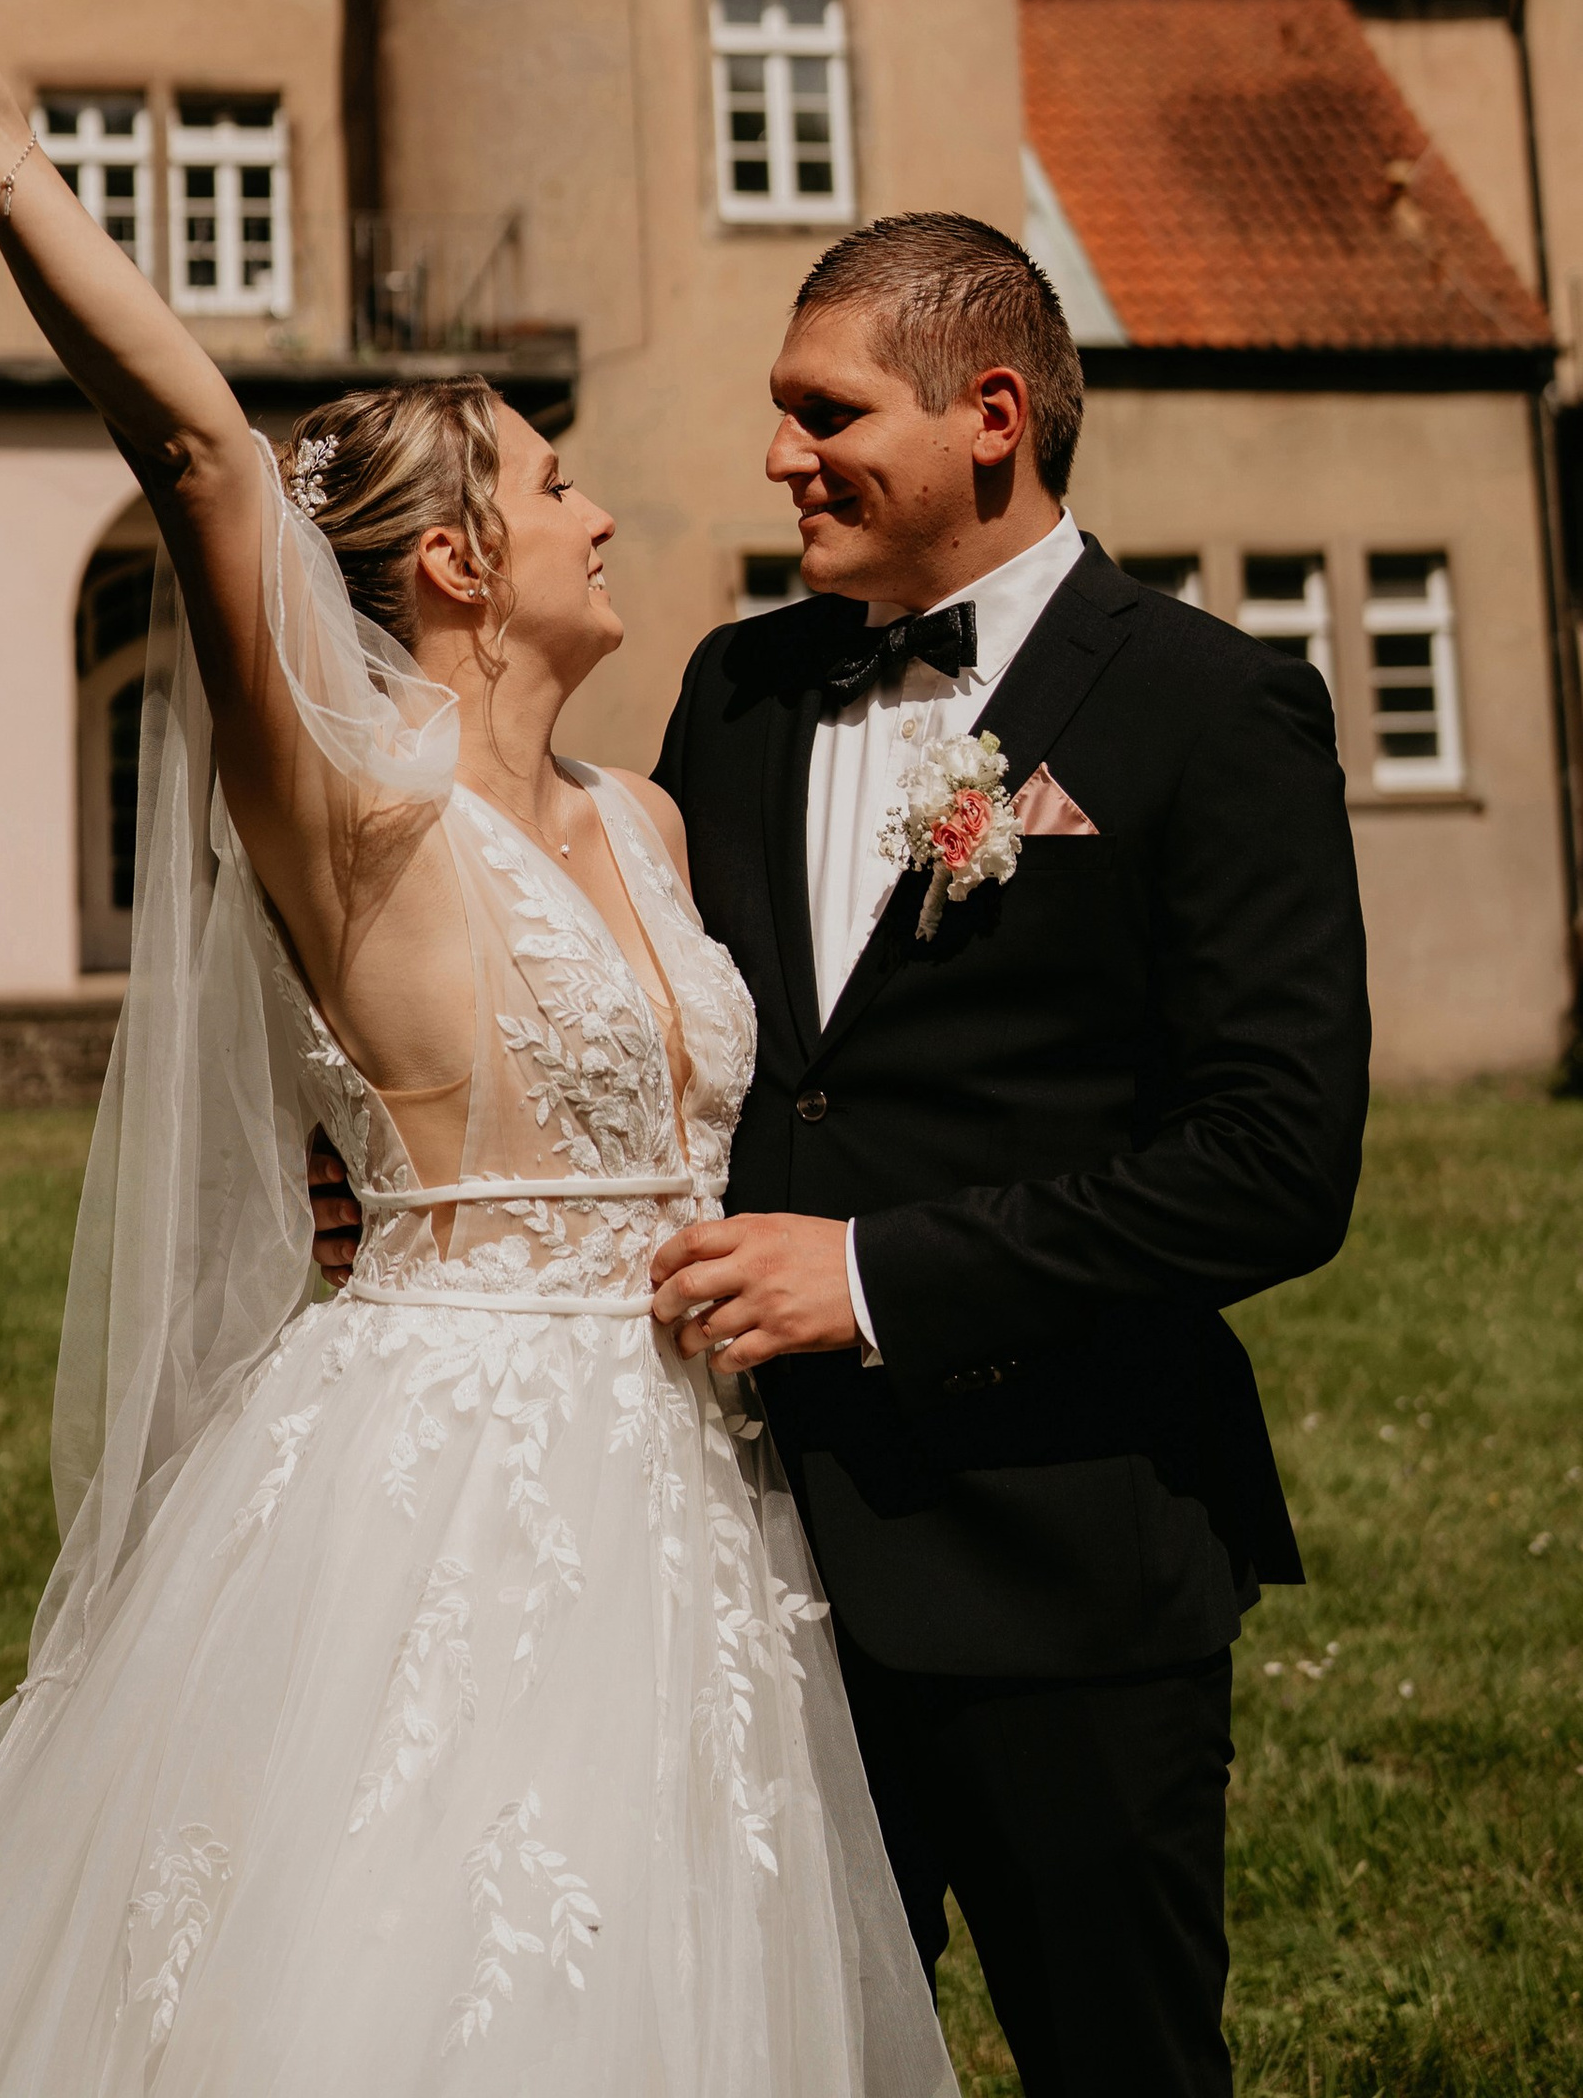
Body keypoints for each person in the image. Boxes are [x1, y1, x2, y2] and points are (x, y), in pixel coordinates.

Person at [0, 0, 952, 2098]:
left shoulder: (651, 818)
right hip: (440, 1479)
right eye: (547, 478)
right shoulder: (351, 817)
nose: (594, 505)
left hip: (684, 1486)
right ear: (457, 565)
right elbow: (200, 454)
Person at [321, 214, 1372, 2098]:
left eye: (825, 412)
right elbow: (642, 1010)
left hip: (1064, 1554)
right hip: (734, 1562)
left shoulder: (1215, 711)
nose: (778, 455)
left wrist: (878, 1277)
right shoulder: (734, 688)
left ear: (989, 416)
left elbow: (1275, 1163)